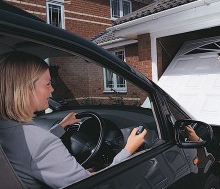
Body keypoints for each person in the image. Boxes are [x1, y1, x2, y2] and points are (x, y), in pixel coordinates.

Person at [0, 51, 147, 189]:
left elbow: (30, 151)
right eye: (47, 84)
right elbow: (96, 185)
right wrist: (128, 150)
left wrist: (61, 126)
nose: (52, 89)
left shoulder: (8, 128)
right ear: (25, 89)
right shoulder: (41, 143)